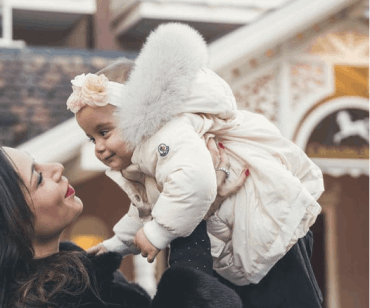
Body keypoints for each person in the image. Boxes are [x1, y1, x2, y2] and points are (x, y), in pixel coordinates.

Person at [68, 22, 324, 307]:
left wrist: (158, 233)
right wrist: (118, 243)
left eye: (104, 132)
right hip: (255, 240)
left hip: (271, 232)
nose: (99, 147)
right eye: (92, 139)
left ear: (135, 113)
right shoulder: (146, 163)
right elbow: (145, 210)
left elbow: (196, 183)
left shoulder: (165, 137)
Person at [0, 135, 242, 308]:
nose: (55, 167)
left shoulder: (86, 278)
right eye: (38, 178)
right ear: (10, 223)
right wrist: (192, 235)